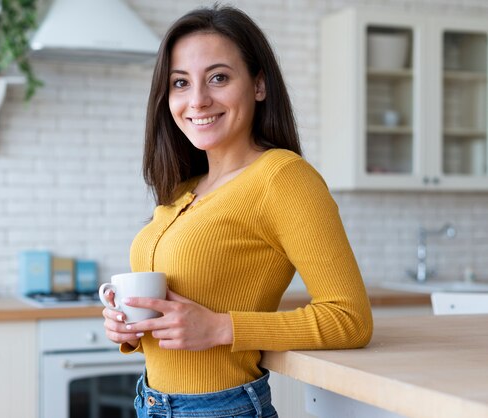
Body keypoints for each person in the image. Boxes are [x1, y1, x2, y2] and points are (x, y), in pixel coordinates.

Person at [102, 4, 373, 417]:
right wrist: (134, 326)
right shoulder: (183, 189)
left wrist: (221, 327)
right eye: (180, 82)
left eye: (218, 78)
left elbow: (350, 319)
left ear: (259, 85)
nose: (198, 100)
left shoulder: (283, 178)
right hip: (151, 403)